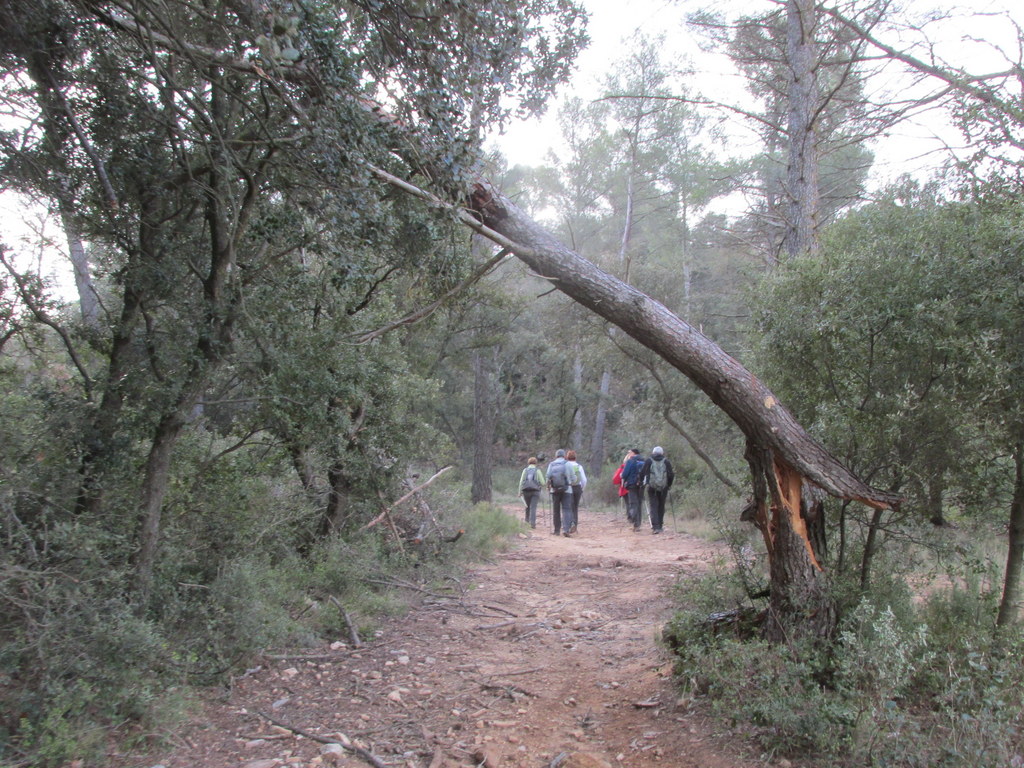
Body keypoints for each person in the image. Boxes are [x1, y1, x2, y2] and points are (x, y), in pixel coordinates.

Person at [639, 445, 674, 533]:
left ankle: (655, 527)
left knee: (653, 506)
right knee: (661, 506)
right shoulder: (666, 461)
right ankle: (660, 526)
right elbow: (671, 475)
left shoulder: (648, 460)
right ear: (662, 453)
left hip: (651, 487)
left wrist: (641, 483)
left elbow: (642, 472)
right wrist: (669, 484)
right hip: (664, 487)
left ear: (653, 453)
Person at [546, 449, 574, 536]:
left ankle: (556, 530)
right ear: (564, 455)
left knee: (556, 510)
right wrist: (570, 482)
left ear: (556, 456)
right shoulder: (568, 464)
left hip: (554, 490)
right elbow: (573, 477)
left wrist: (548, 486)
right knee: (566, 509)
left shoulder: (551, 464)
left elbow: (547, 477)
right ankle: (566, 529)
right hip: (567, 490)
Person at [621, 447, 645, 531]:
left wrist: (623, 477)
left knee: (633, 503)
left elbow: (624, 474)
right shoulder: (644, 461)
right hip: (641, 485)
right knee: (639, 503)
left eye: (629, 452)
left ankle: (633, 519)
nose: (628, 454)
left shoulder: (630, 461)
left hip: (632, 485)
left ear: (634, 453)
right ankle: (638, 524)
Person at [518, 456, 545, 529]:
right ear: (536, 463)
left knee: (527, 507)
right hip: (535, 491)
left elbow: (521, 482)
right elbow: (543, 482)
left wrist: (519, 491)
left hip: (526, 491)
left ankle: (527, 522)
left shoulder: (525, 470)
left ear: (528, 463)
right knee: (533, 507)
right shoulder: (537, 470)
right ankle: (532, 524)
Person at [564, 449, 587, 534]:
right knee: (575, 507)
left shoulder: (565, 465)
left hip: (568, 487)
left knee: (567, 507)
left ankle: (568, 525)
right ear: (575, 457)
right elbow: (584, 480)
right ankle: (575, 525)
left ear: (567, 457)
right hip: (577, 488)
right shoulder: (579, 466)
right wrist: (582, 488)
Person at [612, 449, 634, 516]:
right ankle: (634, 517)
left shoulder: (622, 468)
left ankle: (630, 516)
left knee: (628, 503)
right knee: (634, 502)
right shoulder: (637, 465)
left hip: (625, 488)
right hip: (635, 487)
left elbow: (615, 480)